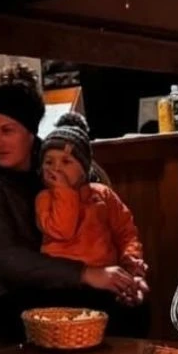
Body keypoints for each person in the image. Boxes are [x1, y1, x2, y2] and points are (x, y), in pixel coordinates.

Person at [0, 63, 150, 344]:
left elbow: (110, 221)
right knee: (62, 317)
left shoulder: (57, 159)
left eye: (7, 130)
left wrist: (128, 272)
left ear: (30, 131)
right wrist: (87, 274)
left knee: (131, 308)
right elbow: (4, 259)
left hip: (59, 281)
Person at [36, 112, 148, 301]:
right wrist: (64, 191)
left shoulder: (103, 193)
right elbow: (63, 230)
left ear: (84, 169)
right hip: (64, 284)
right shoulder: (44, 199)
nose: (56, 168)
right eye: (49, 162)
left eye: (66, 161)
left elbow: (126, 232)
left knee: (134, 305)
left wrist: (132, 267)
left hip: (107, 277)